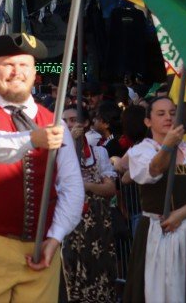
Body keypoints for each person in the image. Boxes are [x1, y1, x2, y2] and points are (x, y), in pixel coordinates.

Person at [0, 33, 84, 302]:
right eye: (7, 64)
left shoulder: (53, 121)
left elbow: (72, 186)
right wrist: (32, 139)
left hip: (40, 248)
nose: (17, 72)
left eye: (24, 65)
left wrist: (56, 237)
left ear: (35, 73)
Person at [122, 96, 186, 303]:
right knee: (159, 289)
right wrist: (167, 147)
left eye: (172, 112)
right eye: (160, 114)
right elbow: (153, 171)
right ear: (148, 121)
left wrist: (181, 214)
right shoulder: (140, 152)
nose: (168, 117)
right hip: (157, 231)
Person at [61, 107, 117, 303]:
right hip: (68, 221)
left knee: (99, 267)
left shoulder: (99, 152)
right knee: (70, 268)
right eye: (65, 120)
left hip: (97, 222)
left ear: (85, 124)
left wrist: (86, 186)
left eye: (73, 120)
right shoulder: (56, 154)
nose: (68, 124)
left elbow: (110, 189)